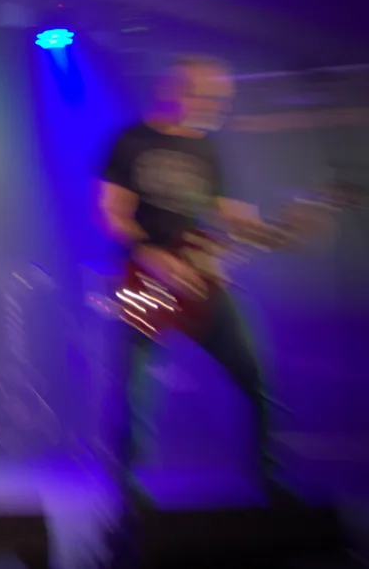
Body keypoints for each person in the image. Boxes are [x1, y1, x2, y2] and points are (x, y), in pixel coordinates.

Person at [98, 54, 319, 510]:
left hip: (201, 281)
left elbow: (225, 214)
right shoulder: (131, 141)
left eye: (220, 99)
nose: (217, 106)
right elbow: (111, 212)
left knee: (255, 374)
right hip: (145, 281)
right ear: (178, 90)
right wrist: (152, 255)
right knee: (136, 387)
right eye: (210, 96)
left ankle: (268, 478)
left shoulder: (206, 150)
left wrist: (280, 230)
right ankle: (127, 490)